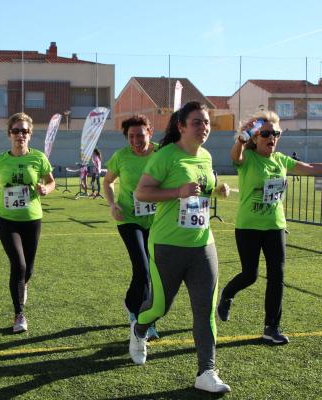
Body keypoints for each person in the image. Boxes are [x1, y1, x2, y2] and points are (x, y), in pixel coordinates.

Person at [129, 102, 231, 393]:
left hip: (202, 244)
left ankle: (206, 372)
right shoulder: (167, 156)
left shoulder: (207, 156)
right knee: (160, 307)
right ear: (181, 126)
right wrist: (177, 192)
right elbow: (142, 191)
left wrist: (217, 188)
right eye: (197, 122)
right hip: (167, 245)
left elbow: (201, 188)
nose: (204, 128)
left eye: (207, 122)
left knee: (205, 310)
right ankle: (139, 330)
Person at [217, 111, 322, 345]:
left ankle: (271, 328)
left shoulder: (281, 160)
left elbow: (308, 167)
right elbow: (236, 155)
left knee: (277, 276)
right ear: (255, 137)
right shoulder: (247, 158)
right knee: (250, 275)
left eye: (276, 133)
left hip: (275, 226)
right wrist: (242, 138)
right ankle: (227, 294)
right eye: (265, 133)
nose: (271, 137)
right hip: (249, 227)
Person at [0, 112, 55, 333]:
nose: (20, 134)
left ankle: (23, 284)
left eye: (25, 131)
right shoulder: (1, 159)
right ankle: (19, 314)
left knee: (28, 269)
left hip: (32, 219)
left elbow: (51, 182)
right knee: (18, 265)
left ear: (30, 135)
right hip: (6, 219)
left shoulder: (38, 158)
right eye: (16, 131)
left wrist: (45, 189)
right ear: (9, 134)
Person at [103, 115, 159, 340]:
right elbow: (107, 182)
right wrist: (112, 204)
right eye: (131, 136)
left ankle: (131, 303)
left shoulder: (162, 153)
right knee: (143, 268)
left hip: (157, 221)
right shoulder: (121, 157)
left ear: (150, 132)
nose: (136, 140)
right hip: (129, 219)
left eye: (140, 135)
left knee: (153, 272)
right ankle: (141, 318)